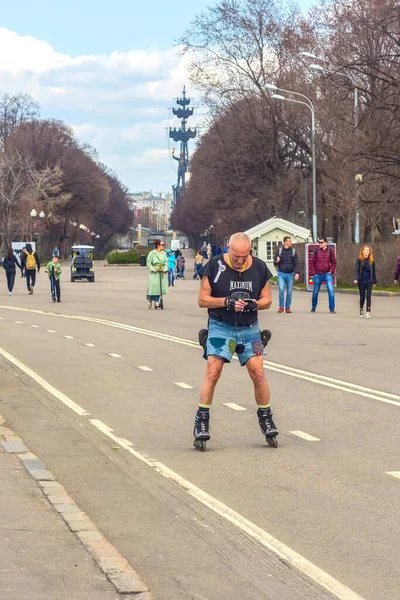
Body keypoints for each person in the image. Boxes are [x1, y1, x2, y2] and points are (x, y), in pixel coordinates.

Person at [193, 232, 278, 448]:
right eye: (236, 256)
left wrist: (254, 304)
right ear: (228, 249)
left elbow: (267, 300)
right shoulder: (214, 266)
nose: (240, 261)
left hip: (249, 327)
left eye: (244, 256)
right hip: (221, 326)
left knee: (257, 371)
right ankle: (201, 421)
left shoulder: (258, 267)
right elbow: (203, 300)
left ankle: (266, 417)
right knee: (213, 371)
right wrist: (226, 302)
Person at [273, 236, 300, 313]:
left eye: (291, 241)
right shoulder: (280, 251)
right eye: (289, 241)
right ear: (285, 242)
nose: (291, 242)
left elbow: (296, 263)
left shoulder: (293, 251)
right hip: (281, 273)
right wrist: (277, 261)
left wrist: (297, 273)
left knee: (289, 291)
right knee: (281, 289)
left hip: (290, 274)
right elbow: (274, 263)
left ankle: (287, 307)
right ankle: (281, 306)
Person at [310, 237, 336, 313]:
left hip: (327, 274)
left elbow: (334, 263)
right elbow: (312, 262)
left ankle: (332, 308)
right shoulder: (316, 251)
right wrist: (314, 273)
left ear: (325, 243)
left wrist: (331, 271)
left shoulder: (330, 251)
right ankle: (313, 307)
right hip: (318, 274)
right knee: (315, 291)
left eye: (321, 242)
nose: (320, 244)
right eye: (319, 242)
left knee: (331, 290)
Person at [353, 245, 376, 319]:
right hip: (361, 280)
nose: (366, 252)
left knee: (368, 296)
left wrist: (374, 281)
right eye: (365, 250)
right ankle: (361, 308)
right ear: (362, 251)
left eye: (368, 250)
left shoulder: (371, 261)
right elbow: (356, 270)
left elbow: (374, 272)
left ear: (369, 252)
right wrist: (356, 278)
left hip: (369, 280)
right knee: (362, 297)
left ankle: (368, 312)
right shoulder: (359, 260)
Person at [146, 240, 167, 309]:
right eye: (162, 245)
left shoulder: (164, 253)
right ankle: (150, 300)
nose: (163, 246)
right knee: (152, 287)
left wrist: (165, 268)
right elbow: (148, 262)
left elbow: (166, 262)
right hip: (154, 272)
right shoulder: (152, 253)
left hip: (161, 271)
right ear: (158, 246)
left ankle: (157, 301)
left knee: (159, 288)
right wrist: (152, 269)